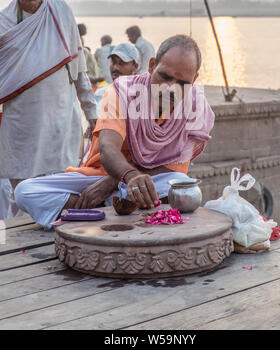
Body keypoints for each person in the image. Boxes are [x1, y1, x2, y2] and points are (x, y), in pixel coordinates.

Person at [14, 35, 215, 229]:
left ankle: (98, 208)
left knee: (182, 185)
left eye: (182, 83)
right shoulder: (122, 91)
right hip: (96, 176)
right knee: (26, 191)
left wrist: (114, 182)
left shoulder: (198, 108)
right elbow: (108, 148)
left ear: (195, 79)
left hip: (146, 181)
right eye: (164, 77)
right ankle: (113, 206)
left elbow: (174, 168)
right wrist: (125, 177)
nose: (170, 89)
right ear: (152, 65)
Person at [0, 0, 98, 195]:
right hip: (22, 125)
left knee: (64, 191)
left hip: (61, 120)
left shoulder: (61, 11)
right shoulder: (3, 23)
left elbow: (79, 69)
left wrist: (93, 114)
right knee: (24, 195)